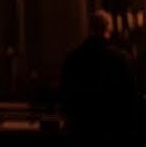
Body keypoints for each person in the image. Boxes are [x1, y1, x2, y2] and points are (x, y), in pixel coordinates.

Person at [58, 9, 143, 138]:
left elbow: (65, 94)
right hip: (113, 127)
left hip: (82, 128)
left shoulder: (74, 57)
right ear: (109, 29)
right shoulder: (121, 58)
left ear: (90, 28)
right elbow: (130, 97)